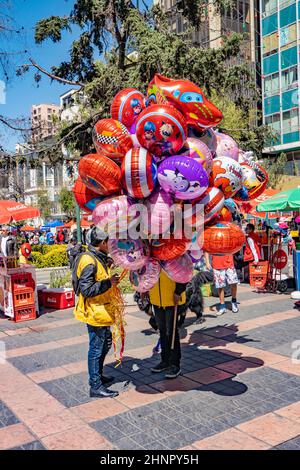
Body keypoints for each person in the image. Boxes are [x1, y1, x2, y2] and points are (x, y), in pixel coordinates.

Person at [73, 227, 121, 398]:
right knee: (96, 348)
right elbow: (86, 290)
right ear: (102, 243)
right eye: (109, 242)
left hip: (102, 311)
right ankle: (95, 385)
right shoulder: (88, 261)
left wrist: (107, 262)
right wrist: (109, 283)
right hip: (94, 312)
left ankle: (98, 376)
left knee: (105, 344)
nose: (111, 245)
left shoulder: (96, 257)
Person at [148, 270, 187, 379]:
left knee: (172, 332)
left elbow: (184, 273)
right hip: (157, 298)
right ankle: (165, 361)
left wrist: (178, 291)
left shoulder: (174, 254)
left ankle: (175, 364)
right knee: (163, 331)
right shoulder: (152, 254)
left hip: (172, 297)